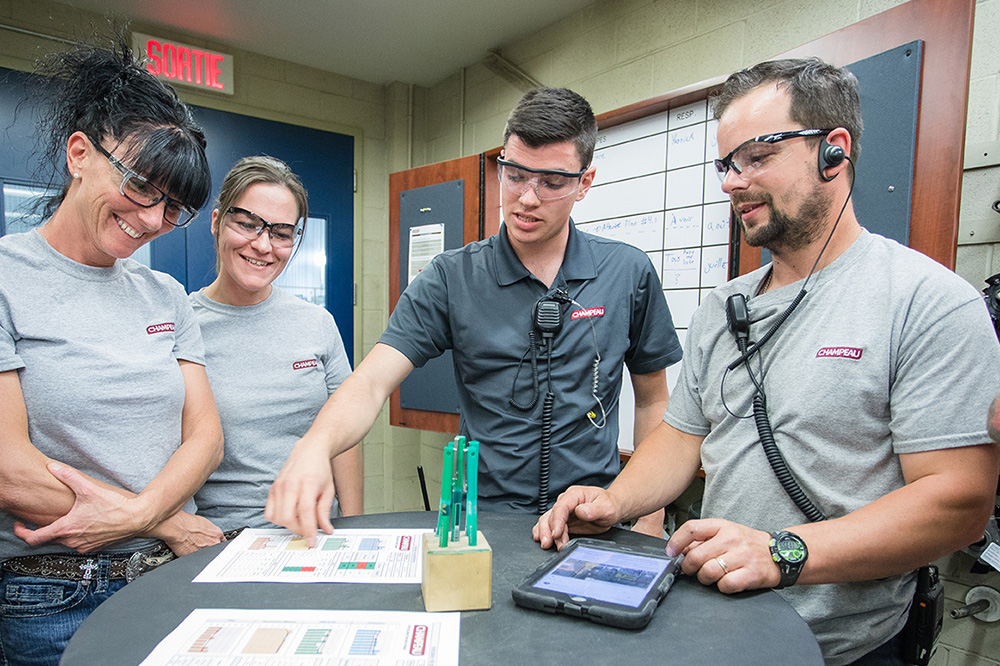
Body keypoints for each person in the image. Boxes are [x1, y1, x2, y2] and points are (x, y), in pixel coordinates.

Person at [534, 58, 1000, 665]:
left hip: (846, 647)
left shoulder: (927, 302)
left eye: (756, 157)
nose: (731, 182)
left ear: (833, 151)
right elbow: (680, 440)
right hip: (722, 632)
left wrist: (783, 552)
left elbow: (958, 503)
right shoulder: (722, 307)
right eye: (727, 164)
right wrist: (614, 502)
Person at [266, 87, 682, 544]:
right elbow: (371, 381)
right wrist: (315, 446)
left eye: (551, 182)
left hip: (596, 519)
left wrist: (648, 516)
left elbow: (652, 400)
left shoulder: (627, 272)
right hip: (485, 526)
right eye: (515, 174)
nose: (526, 197)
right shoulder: (452, 277)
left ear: (584, 182)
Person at [0, 36, 224, 666]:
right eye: (141, 184)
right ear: (79, 153)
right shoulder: (6, 278)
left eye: (172, 206)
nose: (152, 218)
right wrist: (166, 520)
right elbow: (9, 469)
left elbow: (205, 435)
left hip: (168, 579)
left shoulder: (166, 296)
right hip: (52, 591)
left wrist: (147, 518)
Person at [190, 156, 360, 531]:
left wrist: (354, 525)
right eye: (248, 225)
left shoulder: (317, 323)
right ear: (217, 222)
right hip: (219, 540)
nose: (263, 245)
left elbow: (345, 436)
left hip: (314, 534)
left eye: (281, 233)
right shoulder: (183, 325)